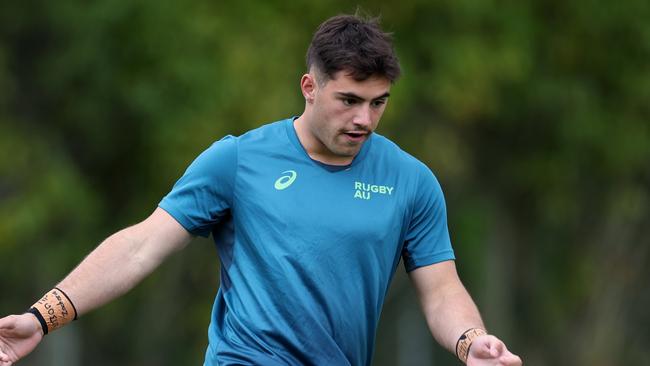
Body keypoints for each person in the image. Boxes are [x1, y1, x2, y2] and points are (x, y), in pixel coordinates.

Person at [0, 14, 522, 366]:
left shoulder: (411, 181)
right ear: (309, 87)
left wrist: (471, 341)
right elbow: (140, 246)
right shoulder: (238, 160)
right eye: (349, 100)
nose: (365, 119)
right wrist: (43, 317)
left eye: (378, 102)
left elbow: (442, 288)